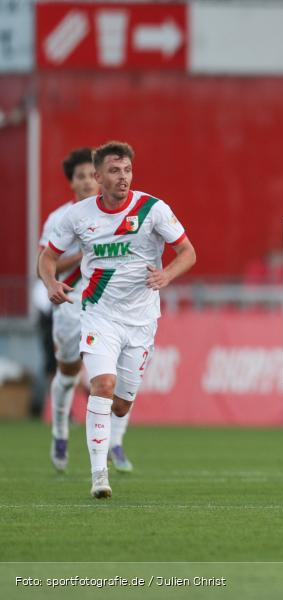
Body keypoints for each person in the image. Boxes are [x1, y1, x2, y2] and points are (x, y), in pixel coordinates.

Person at [38, 141, 196, 498]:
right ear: (98, 177)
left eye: (126, 170)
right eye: (114, 171)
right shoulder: (76, 217)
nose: (122, 177)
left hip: (141, 320)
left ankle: (109, 441)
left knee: (121, 405)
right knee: (102, 385)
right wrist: (50, 282)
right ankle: (98, 476)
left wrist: (167, 275)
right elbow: (47, 257)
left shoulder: (152, 209)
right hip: (98, 315)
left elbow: (188, 252)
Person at [37, 148, 99, 472]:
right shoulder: (59, 219)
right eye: (81, 176)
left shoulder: (115, 214)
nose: (88, 182)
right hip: (71, 305)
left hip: (106, 304)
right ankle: (60, 429)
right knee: (68, 374)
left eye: (92, 175)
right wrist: (84, 254)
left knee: (106, 379)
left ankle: (104, 455)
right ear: (71, 182)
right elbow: (46, 263)